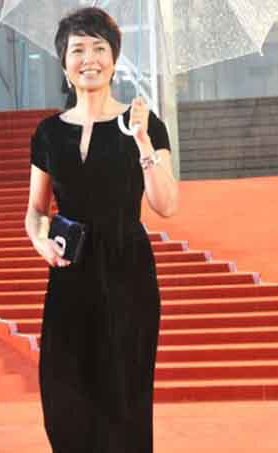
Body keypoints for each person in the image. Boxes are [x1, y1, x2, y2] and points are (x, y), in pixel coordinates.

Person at [25, 7, 178, 453]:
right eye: (78, 49)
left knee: (122, 398)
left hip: (128, 270)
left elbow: (166, 205)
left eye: (99, 48)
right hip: (70, 270)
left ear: (114, 60)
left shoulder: (144, 125)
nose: (88, 58)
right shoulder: (48, 133)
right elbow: (36, 209)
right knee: (63, 397)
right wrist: (39, 239)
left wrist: (143, 141)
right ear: (64, 63)